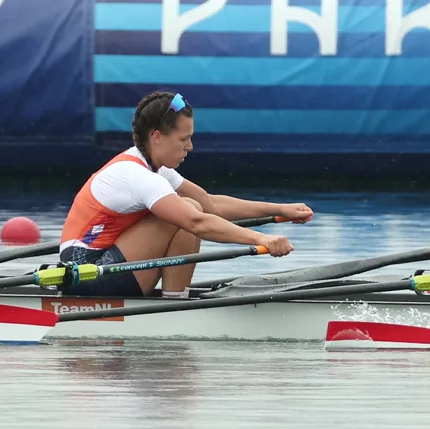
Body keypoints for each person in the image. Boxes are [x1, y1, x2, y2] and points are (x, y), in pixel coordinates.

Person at [59, 91, 312, 298]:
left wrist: (279, 210)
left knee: (191, 205)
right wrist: (262, 239)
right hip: (85, 272)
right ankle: (175, 306)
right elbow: (196, 222)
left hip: (108, 264)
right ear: (157, 137)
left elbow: (211, 204)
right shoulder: (135, 174)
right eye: (184, 139)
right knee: (186, 211)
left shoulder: (155, 169)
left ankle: (175, 299)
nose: (190, 147)